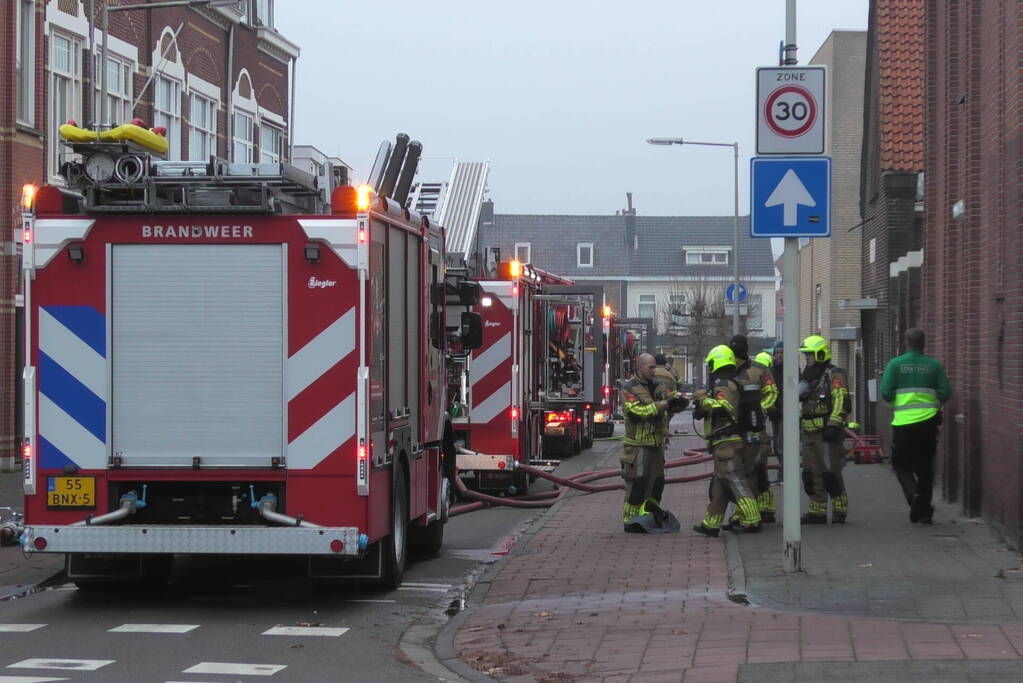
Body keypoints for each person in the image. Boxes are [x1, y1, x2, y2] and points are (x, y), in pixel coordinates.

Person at [881, 328, 951, 524]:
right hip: (928, 424)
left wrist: (900, 400)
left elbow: (886, 392)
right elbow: (946, 392)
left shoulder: (895, 364)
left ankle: (914, 496)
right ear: (924, 343)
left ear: (906, 342)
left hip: (904, 424)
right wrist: (934, 403)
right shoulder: (934, 366)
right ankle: (926, 512)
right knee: (925, 467)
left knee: (901, 466)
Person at [692, 345, 761, 537]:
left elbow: (724, 408)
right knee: (720, 485)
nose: (710, 368)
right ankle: (711, 524)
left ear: (717, 362)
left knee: (737, 481)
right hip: (723, 443)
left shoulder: (723, 384)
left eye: (711, 364)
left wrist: (703, 401)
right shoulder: (730, 381)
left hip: (727, 443)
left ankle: (752, 519)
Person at [620, 353, 688, 532]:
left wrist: (677, 401)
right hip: (637, 445)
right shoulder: (629, 388)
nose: (653, 370)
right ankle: (630, 519)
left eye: (654, 367)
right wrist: (660, 406)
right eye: (650, 367)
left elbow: (668, 398)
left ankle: (649, 515)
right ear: (639, 367)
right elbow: (636, 412)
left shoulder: (657, 386)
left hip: (656, 444)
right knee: (637, 483)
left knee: (657, 482)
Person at [725, 336, 778, 526]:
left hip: (756, 429)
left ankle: (764, 508)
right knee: (743, 473)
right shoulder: (726, 369)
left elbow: (772, 392)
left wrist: (759, 410)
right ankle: (750, 510)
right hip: (734, 430)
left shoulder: (759, 369)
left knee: (758, 470)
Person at [797, 335, 851, 524]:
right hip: (808, 432)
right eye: (806, 356)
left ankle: (840, 509)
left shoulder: (833, 374)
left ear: (820, 354)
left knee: (831, 472)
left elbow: (840, 400)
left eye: (810, 355)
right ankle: (817, 511)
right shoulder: (808, 376)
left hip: (825, 433)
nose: (807, 359)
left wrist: (833, 425)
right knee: (811, 473)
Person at [769, 343, 784, 483]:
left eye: (782, 352)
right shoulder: (771, 371)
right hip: (774, 412)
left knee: (781, 444)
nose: (779, 355)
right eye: (777, 353)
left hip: (785, 412)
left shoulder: (791, 370)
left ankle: (783, 475)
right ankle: (782, 473)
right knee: (776, 444)